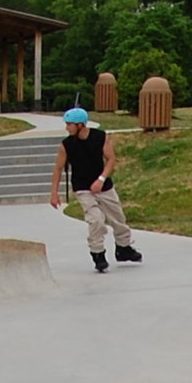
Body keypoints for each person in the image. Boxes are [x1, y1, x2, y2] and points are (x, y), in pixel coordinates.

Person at [51, 107, 142, 273]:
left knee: (118, 218)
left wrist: (101, 179)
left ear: (80, 125)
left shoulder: (100, 137)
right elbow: (58, 168)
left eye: (69, 124)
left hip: (104, 186)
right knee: (96, 220)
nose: (67, 128)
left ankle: (123, 249)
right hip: (83, 188)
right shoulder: (67, 145)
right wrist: (54, 193)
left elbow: (111, 159)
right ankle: (98, 254)